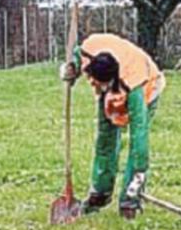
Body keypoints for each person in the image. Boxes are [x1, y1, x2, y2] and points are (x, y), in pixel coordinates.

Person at [60, 32, 165, 219]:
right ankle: (100, 194)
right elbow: (77, 55)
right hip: (114, 83)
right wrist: (72, 69)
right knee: (105, 138)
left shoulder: (134, 87)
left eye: (98, 84)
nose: (93, 84)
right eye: (91, 79)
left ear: (110, 81)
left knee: (136, 146)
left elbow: (138, 137)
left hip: (148, 85)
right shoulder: (89, 50)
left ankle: (129, 200)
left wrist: (139, 173)